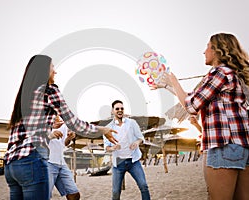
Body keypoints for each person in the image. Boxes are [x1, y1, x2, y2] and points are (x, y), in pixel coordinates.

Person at [4, 55, 117, 200]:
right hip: (31, 160)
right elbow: (75, 124)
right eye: (52, 67)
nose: (55, 71)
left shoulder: (23, 96)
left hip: (11, 165)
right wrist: (102, 130)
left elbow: (29, 129)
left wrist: (49, 125)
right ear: (44, 70)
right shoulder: (50, 91)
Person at [162, 33, 249, 200]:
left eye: (207, 47)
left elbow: (191, 105)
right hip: (242, 146)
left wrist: (174, 81)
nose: (204, 52)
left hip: (223, 146)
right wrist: (167, 85)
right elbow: (194, 97)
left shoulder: (219, 72)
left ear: (217, 50)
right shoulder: (233, 74)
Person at [103, 100, 151, 200]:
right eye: (117, 109)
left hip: (133, 161)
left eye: (122, 108)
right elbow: (106, 147)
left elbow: (140, 137)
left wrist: (137, 143)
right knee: (116, 192)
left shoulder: (132, 123)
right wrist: (112, 148)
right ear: (112, 111)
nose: (120, 110)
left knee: (143, 186)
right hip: (118, 164)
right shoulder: (107, 128)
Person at [48, 116, 80, 200]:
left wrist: (69, 138)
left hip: (61, 162)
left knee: (74, 194)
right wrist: (50, 134)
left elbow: (64, 143)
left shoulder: (64, 122)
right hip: (47, 162)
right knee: (44, 195)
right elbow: (36, 138)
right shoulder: (44, 117)